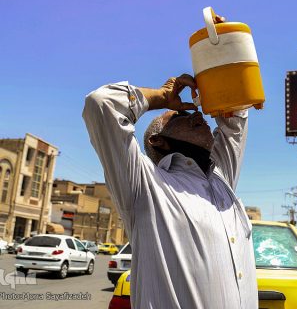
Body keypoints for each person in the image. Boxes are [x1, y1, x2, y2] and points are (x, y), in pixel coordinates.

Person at [82, 72, 258, 308]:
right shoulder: (145, 185)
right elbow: (101, 104)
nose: (196, 113)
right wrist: (163, 96)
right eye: (181, 116)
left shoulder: (220, 178)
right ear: (157, 140)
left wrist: (216, 88)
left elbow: (235, 118)